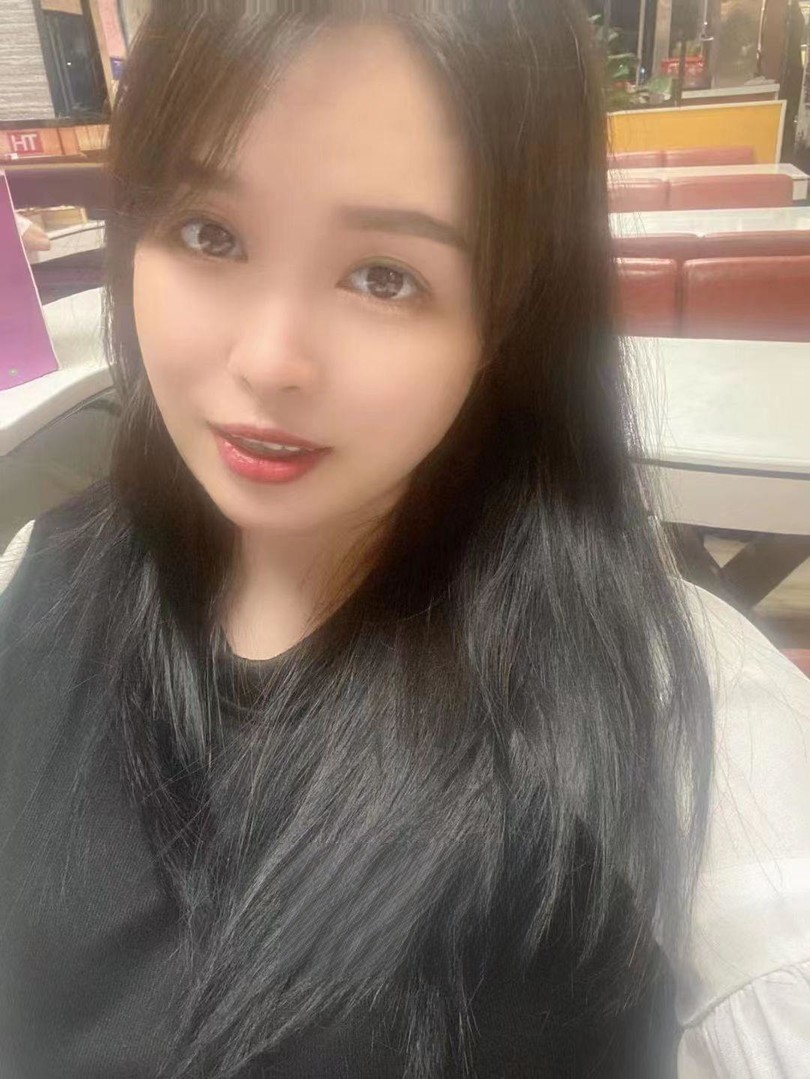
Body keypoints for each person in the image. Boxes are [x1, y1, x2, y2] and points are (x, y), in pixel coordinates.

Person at [0, 2, 808, 1077]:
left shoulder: (665, 721)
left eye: (385, 275)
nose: (270, 359)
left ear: (507, 317)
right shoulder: (35, 582)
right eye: (208, 233)